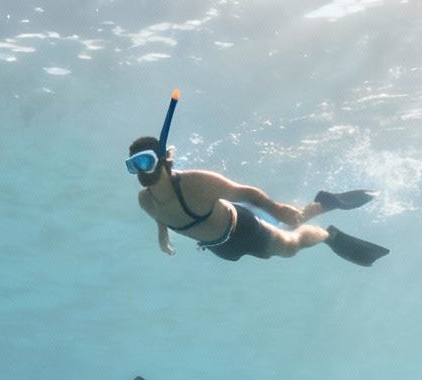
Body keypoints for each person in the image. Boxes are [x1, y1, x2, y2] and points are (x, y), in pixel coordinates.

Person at [125, 91, 389, 266]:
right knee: (275, 244)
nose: (140, 171)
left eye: (145, 161)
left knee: (289, 246)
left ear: (163, 160)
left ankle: (328, 234)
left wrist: (275, 208)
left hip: (241, 227)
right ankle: (318, 206)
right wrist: (163, 236)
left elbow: (246, 194)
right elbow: (161, 217)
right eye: (133, 165)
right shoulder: (144, 201)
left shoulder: (196, 184)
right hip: (220, 247)